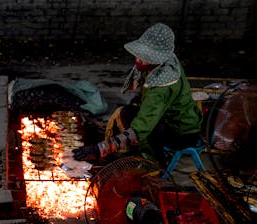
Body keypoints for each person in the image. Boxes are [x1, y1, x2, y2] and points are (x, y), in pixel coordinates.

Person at [73, 23, 203, 166]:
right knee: (128, 111)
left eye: (145, 56)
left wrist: (99, 149)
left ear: (157, 58)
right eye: (139, 54)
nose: (138, 59)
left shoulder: (161, 86)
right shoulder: (167, 61)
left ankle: (151, 162)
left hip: (181, 133)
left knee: (129, 117)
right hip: (181, 122)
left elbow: (140, 129)